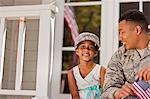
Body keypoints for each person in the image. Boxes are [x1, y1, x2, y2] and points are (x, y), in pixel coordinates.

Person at [102, 9, 150, 99]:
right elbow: (107, 90)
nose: (120, 38)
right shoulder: (119, 56)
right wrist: (117, 92)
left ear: (137, 30)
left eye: (122, 32)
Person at [68, 32, 106, 99]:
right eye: (82, 47)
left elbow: (105, 93)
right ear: (77, 51)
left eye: (91, 47)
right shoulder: (72, 73)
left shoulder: (101, 70)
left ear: (95, 53)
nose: (86, 50)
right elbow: (75, 96)